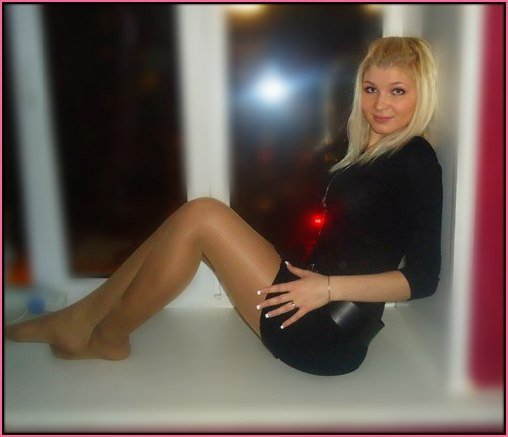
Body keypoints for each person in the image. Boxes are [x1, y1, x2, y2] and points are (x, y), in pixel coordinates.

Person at [6, 36, 442, 376]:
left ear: (420, 95)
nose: (380, 104)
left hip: (327, 333)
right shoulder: (365, 150)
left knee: (202, 214)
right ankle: (80, 318)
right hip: (305, 296)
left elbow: (422, 279)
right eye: (371, 89)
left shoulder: (416, 159)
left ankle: (107, 337)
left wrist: (326, 288)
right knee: (189, 218)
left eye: (397, 91)